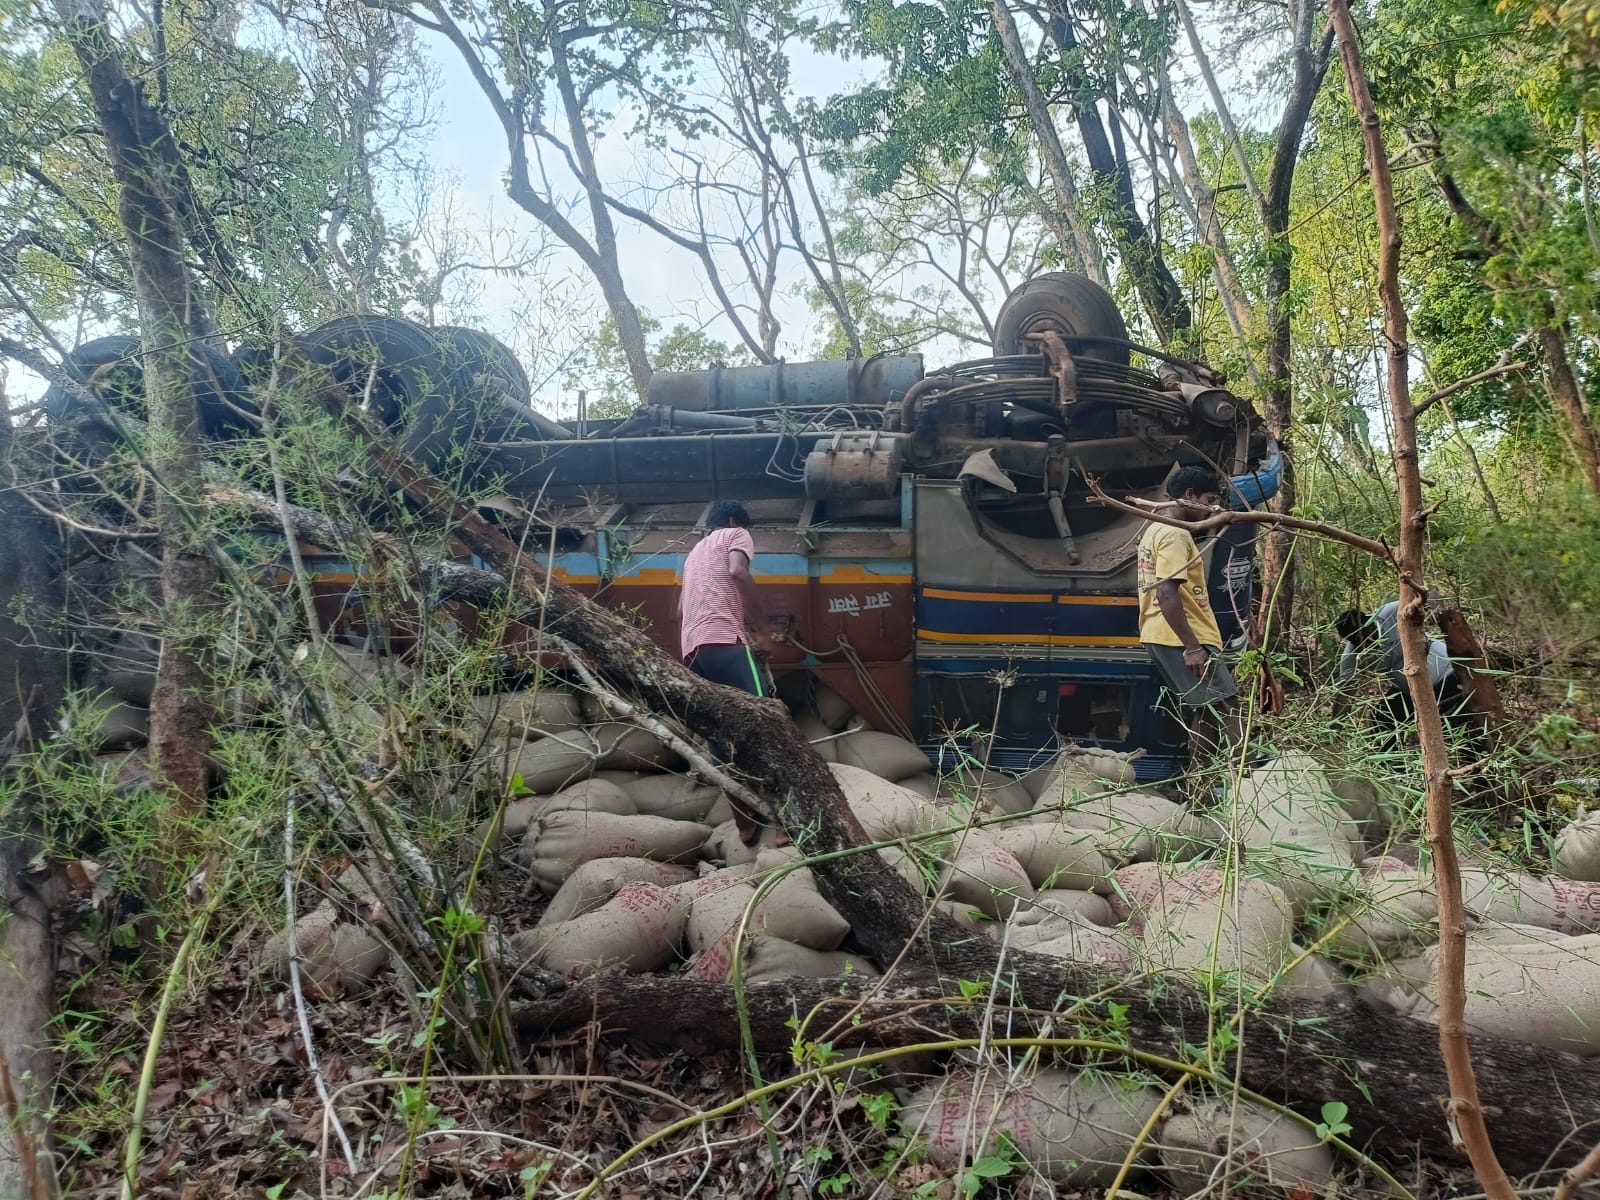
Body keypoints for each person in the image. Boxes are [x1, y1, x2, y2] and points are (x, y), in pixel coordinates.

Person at [1137, 466, 1242, 777]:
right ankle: (1254, 782)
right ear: (1189, 495)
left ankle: (1200, 789)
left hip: (1161, 633)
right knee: (1229, 707)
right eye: (1210, 500)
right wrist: (1193, 647)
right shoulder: (1175, 535)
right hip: (1180, 636)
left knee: (1207, 711)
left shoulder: (1155, 529)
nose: (1213, 509)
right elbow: (1166, 591)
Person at [677, 500, 776, 696]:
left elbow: (680, 611)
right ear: (732, 521)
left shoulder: (693, 554)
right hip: (723, 640)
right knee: (763, 707)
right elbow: (738, 571)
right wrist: (764, 634)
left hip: (692, 651)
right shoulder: (736, 533)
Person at [1335, 601, 1465, 730]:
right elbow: (1345, 695)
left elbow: (1423, 599)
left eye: (1364, 634)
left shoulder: (1391, 612)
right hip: (1412, 691)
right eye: (1357, 640)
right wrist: (1335, 729)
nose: (1364, 642)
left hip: (1448, 672)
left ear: (1369, 621)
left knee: (1457, 722)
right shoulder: (1353, 656)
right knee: (1381, 720)